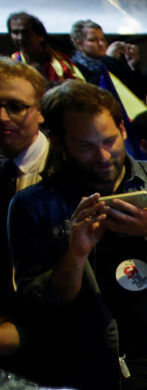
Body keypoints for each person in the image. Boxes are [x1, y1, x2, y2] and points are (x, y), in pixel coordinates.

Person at [9, 80, 147, 390]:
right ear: (57, 142)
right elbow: (37, 307)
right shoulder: (33, 205)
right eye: (85, 146)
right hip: (103, 374)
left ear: (123, 130)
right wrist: (76, 254)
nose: (102, 155)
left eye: (109, 140)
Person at [0, 57, 48, 365]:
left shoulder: (73, 168)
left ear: (40, 111)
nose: (1, 117)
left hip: (62, 340)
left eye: (15, 107)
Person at [7, 12, 77, 85]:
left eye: (26, 32)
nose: (20, 38)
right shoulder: (11, 64)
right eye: (15, 32)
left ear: (40, 36)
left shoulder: (63, 65)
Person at [70, 20, 138, 92]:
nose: (101, 44)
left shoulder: (113, 63)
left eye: (102, 39)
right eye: (93, 40)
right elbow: (92, 90)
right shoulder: (73, 69)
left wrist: (132, 65)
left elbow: (137, 91)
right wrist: (108, 59)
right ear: (79, 44)